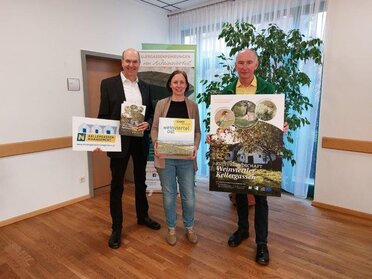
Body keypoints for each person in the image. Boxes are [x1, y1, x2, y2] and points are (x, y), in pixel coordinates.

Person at [222, 49, 289, 265]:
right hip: (237, 147)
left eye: (249, 62)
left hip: (261, 148)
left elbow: (274, 116)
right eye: (240, 62)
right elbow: (222, 120)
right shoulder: (227, 90)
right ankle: (242, 230)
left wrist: (282, 125)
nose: (244, 66)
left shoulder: (267, 89)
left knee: (261, 197)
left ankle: (262, 243)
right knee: (240, 191)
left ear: (256, 65)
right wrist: (217, 134)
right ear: (235, 66)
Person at [97, 48, 160, 249]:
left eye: (135, 61)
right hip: (119, 142)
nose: (131, 65)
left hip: (139, 141)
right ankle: (116, 228)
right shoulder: (108, 85)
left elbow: (151, 114)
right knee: (117, 186)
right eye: (128, 61)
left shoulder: (146, 87)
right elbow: (103, 115)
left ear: (139, 63)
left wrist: (148, 124)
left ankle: (143, 216)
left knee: (141, 182)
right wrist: (99, 139)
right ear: (121, 63)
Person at [151, 70, 201, 246]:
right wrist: (156, 143)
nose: (179, 85)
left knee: (189, 196)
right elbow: (155, 128)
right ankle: (171, 228)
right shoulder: (161, 104)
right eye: (175, 82)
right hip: (166, 158)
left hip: (186, 159)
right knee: (169, 196)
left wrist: (195, 146)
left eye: (182, 82)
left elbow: (197, 132)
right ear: (170, 84)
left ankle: (189, 227)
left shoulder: (193, 106)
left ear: (186, 85)